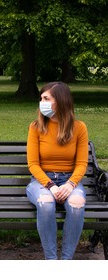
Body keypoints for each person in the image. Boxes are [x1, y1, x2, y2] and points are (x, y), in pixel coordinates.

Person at [26, 82, 89, 260]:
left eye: (46, 98)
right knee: (46, 203)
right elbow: (33, 164)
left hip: (69, 180)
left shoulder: (79, 128)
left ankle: (66, 261)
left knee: (77, 203)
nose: (42, 102)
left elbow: (82, 163)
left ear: (60, 101)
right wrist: (51, 185)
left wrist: (70, 184)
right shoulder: (36, 127)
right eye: (41, 98)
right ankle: (51, 262)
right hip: (41, 181)